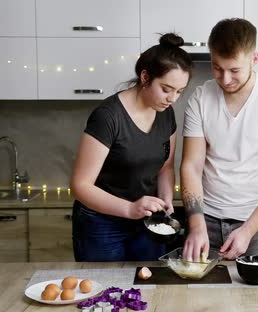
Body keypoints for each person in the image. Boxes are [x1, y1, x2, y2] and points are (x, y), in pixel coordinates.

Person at [181, 18, 258, 261]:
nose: (225, 79)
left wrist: (246, 231)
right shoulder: (200, 99)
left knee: (257, 297)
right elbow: (191, 167)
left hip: (257, 225)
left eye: (234, 70)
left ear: (254, 59)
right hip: (206, 222)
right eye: (217, 68)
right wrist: (196, 225)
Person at [70, 33, 193, 261]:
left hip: (148, 222)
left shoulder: (166, 114)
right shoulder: (108, 117)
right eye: (166, 89)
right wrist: (129, 209)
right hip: (101, 224)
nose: (172, 99)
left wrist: (165, 201)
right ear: (145, 77)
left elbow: (165, 167)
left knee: (147, 287)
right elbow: (80, 185)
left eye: (179, 91)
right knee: (106, 292)